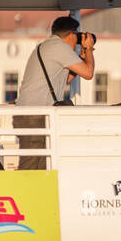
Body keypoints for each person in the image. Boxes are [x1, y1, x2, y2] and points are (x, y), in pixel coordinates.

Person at [12, 16, 96, 169]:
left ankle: (37, 192)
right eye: (77, 35)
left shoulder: (46, 46)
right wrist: (89, 48)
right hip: (35, 116)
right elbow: (88, 73)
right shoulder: (60, 48)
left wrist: (82, 56)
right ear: (71, 34)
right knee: (31, 164)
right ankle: (23, 192)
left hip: (30, 114)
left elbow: (66, 79)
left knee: (42, 164)